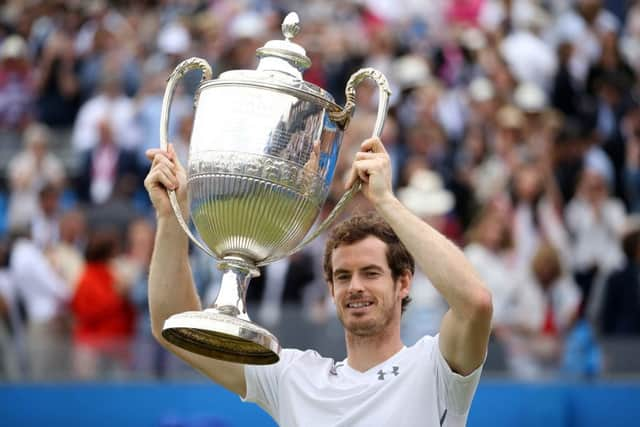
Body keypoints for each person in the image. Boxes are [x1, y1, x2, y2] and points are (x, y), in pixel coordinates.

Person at [144, 137, 493, 426]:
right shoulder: (294, 378)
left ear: (404, 283)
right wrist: (171, 216)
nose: (355, 286)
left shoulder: (434, 367)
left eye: (371, 273)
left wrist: (385, 202)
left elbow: (475, 303)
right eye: (343, 276)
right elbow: (172, 327)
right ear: (330, 288)